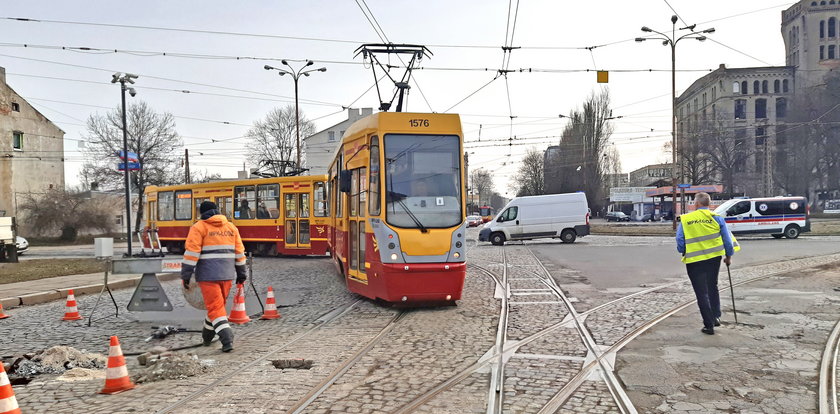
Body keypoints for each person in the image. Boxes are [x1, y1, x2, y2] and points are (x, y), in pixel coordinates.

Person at [181, 201, 247, 352]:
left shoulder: (198, 227)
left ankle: (227, 338)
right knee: (217, 307)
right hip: (227, 275)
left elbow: (191, 254)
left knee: (215, 308)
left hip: (208, 275)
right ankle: (207, 337)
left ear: (202, 213)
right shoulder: (231, 227)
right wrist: (241, 273)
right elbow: (239, 252)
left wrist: (186, 275)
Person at [676, 192, 740, 335]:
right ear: (709, 204)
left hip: (694, 261)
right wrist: (728, 257)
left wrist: (684, 250)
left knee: (701, 292)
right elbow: (727, 242)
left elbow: (680, 241)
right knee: (712, 286)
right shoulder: (717, 219)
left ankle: (708, 324)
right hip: (713, 259)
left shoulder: (686, 219)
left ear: (696, 204)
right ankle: (715, 316)